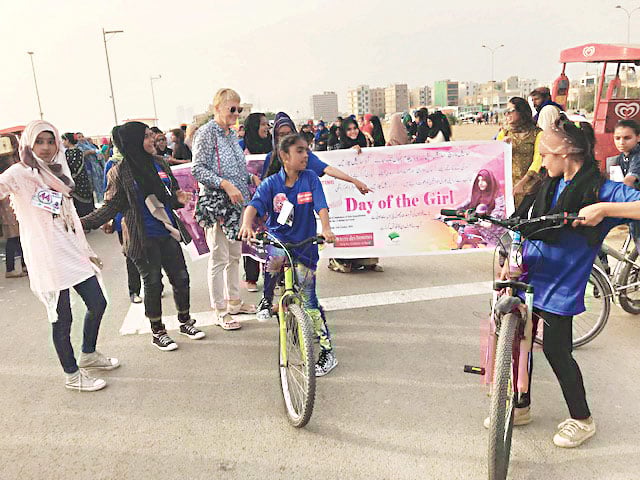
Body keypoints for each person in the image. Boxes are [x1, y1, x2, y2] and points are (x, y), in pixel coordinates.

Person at [498, 115, 640, 448]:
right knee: (518, 343)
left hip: (561, 285)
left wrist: (604, 209)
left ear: (566, 153)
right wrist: (510, 259)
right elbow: (526, 225)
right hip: (528, 274)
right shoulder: (548, 184)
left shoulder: (600, 189)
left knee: (556, 351)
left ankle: (582, 419)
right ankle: (521, 405)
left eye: (545, 155)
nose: (542, 162)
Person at [0, 120, 119, 391]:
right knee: (62, 317)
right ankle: (72, 375)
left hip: (71, 248)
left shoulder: (59, 170)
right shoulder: (20, 173)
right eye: (39, 141)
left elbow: (66, 211)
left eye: (50, 141)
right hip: (48, 255)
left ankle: (88, 353)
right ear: (28, 144)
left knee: (98, 302)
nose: (45, 147)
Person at [82, 121, 205, 350]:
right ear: (134, 141)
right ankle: (158, 332)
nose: (153, 140)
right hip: (142, 235)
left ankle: (185, 321)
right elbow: (110, 206)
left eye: (151, 135)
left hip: (167, 231)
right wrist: (81, 223)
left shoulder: (160, 163)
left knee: (181, 278)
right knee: (153, 283)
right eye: (147, 136)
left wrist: (178, 198)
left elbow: (171, 193)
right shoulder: (120, 172)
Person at [239, 133, 338, 376]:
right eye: (300, 151)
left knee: (310, 303)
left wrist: (326, 228)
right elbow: (253, 206)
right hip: (279, 241)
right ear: (284, 156)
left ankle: (327, 352)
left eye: (307, 150)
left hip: (305, 245)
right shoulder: (271, 184)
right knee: (273, 263)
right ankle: (266, 299)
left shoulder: (311, 178)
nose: (306, 155)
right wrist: (247, 224)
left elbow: (321, 205)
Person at [257, 112, 371, 318]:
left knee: (306, 285)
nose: (285, 138)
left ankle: (311, 323)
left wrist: (353, 181)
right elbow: (261, 194)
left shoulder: (305, 161)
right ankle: (268, 300)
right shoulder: (271, 160)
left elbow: (327, 170)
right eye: (280, 134)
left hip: (303, 229)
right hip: (279, 229)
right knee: (275, 264)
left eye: (288, 133)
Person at [192, 88, 259, 331]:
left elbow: (237, 168)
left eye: (239, 109)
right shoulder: (206, 133)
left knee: (234, 255)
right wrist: (225, 184)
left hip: (236, 204)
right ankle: (220, 309)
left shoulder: (230, 135)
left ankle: (234, 302)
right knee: (219, 257)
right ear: (217, 108)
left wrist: (249, 178)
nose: (236, 113)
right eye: (232, 109)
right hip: (217, 204)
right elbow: (198, 169)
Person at [330, 117, 382, 273]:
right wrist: (348, 153)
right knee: (348, 228)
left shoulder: (364, 141)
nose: (353, 132)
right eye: (349, 129)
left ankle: (368, 261)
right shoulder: (338, 146)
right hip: (345, 195)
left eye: (355, 128)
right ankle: (341, 259)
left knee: (365, 223)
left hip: (363, 194)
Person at [103, 126, 143, 304]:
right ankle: (134, 290)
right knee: (131, 253)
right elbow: (107, 193)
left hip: (145, 214)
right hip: (123, 217)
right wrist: (109, 218)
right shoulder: (112, 164)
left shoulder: (142, 159)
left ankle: (155, 284)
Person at [242, 112, 273, 292]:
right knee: (251, 237)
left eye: (267, 124)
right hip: (250, 200)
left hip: (271, 198)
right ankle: (251, 277)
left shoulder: (272, 145)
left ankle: (272, 276)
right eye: (263, 124)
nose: (266, 128)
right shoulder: (241, 147)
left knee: (272, 238)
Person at [496, 97, 544, 208]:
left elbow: (538, 160)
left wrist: (523, 182)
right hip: (508, 187)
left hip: (530, 187)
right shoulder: (505, 133)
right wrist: (502, 147)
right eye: (505, 111)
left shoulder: (537, 133)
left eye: (510, 111)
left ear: (521, 112)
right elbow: (496, 160)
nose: (507, 114)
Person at [606, 119, 640, 252]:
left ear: (638, 137)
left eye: (627, 138)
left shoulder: (637, 155)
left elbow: (629, 181)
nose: (621, 142)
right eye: (617, 138)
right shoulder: (620, 158)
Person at [0, 134, 27, 278]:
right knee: (14, 237)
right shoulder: (9, 161)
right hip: (9, 205)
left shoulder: (11, 159)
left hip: (10, 204)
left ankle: (23, 265)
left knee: (18, 237)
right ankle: (11, 269)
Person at [61, 133, 95, 218]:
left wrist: (69, 177)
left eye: (63, 140)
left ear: (67, 140)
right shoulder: (66, 152)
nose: (62, 142)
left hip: (80, 182)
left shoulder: (78, 151)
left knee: (83, 206)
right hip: (70, 183)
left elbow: (76, 167)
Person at [76, 133, 105, 204]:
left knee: (100, 184)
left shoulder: (89, 145)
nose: (81, 138)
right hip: (87, 169)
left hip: (96, 168)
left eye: (82, 136)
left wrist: (99, 154)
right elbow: (80, 155)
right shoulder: (77, 147)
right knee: (91, 187)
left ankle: (101, 200)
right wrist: (89, 152)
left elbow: (98, 152)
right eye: (79, 137)